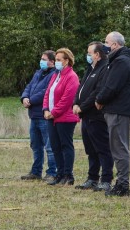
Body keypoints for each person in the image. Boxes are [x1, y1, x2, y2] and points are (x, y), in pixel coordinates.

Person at [95, 31, 130, 197]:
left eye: (106, 42)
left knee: (119, 148)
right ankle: (121, 183)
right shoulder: (120, 60)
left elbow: (112, 86)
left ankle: (122, 185)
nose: (104, 45)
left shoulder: (121, 61)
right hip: (119, 109)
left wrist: (99, 99)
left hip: (119, 110)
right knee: (118, 147)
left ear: (114, 45)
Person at [73, 41, 114, 193]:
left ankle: (106, 179)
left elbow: (97, 92)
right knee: (90, 149)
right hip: (85, 116)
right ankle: (92, 178)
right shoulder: (91, 68)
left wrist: (82, 106)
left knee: (102, 149)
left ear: (97, 54)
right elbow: (80, 88)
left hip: (97, 116)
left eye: (89, 53)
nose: (87, 56)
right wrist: (75, 103)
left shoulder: (104, 68)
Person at [43, 48, 80, 185]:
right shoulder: (56, 75)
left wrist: (54, 112)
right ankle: (59, 174)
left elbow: (67, 99)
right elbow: (48, 93)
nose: (56, 62)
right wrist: (46, 109)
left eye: (59, 60)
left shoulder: (72, 77)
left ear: (67, 61)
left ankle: (68, 175)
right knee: (55, 146)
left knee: (65, 146)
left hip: (65, 118)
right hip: (52, 117)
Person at [20, 50, 57, 182]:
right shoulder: (38, 73)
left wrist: (31, 100)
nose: (41, 61)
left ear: (52, 62)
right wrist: (24, 97)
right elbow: (29, 87)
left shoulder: (54, 74)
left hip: (44, 115)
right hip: (34, 115)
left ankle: (52, 172)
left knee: (49, 146)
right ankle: (36, 171)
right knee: (36, 146)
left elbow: (45, 92)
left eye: (44, 59)